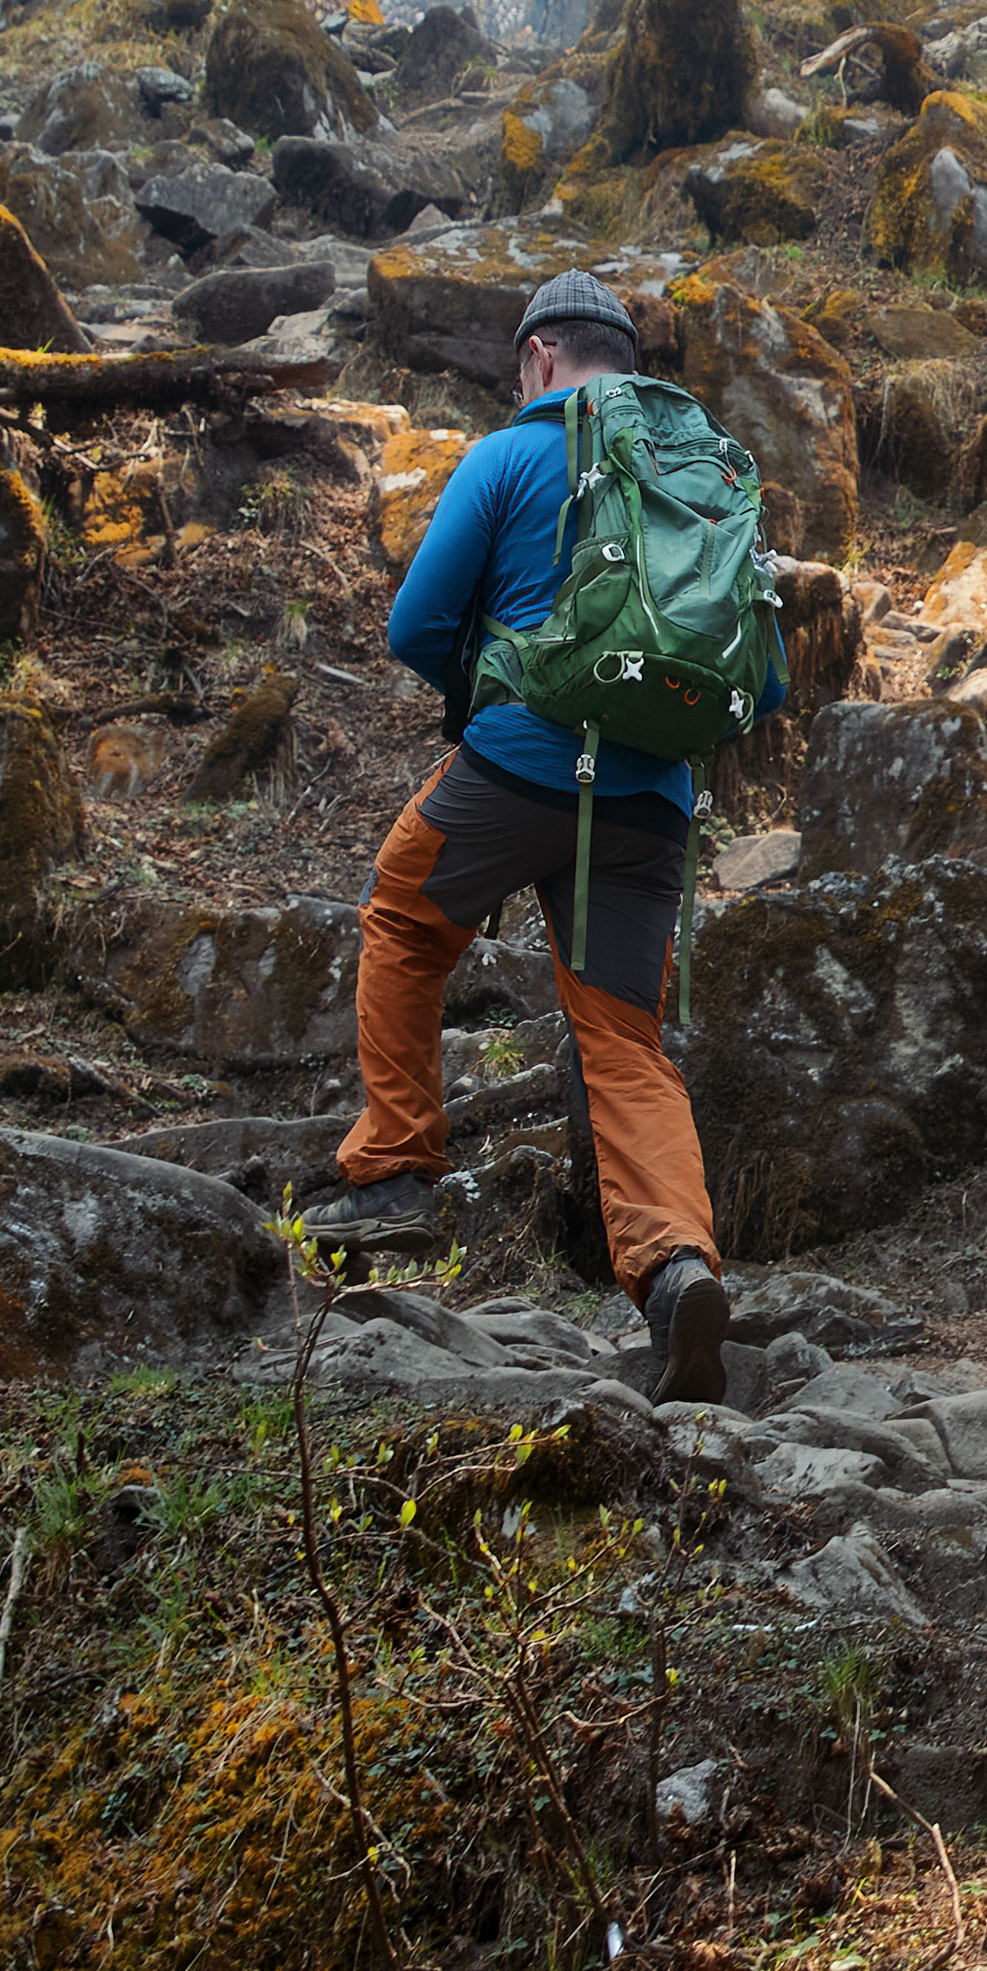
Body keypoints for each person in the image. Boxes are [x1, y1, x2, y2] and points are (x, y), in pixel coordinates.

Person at [336, 268, 740, 1400]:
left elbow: (415, 621)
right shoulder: (694, 468)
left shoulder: (512, 452)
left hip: (521, 764)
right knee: (622, 1038)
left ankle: (396, 1171)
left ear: (540, 357)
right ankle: (676, 1270)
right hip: (654, 799)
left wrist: (486, 701)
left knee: (404, 918)